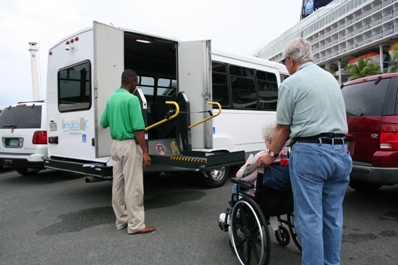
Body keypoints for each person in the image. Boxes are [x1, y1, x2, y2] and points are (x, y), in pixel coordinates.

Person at [256, 38, 352, 265]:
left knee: (309, 217)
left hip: (311, 152)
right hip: (341, 151)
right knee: (332, 216)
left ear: (290, 60)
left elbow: (282, 128)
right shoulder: (331, 78)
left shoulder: (291, 83)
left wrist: (270, 155)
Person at [100, 69, 155, 235]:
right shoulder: (132, 100)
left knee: (118, 184)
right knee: (134, 185)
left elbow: (103, 123)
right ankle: (136, 225)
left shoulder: (111, 98)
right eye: (136, 81)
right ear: (132, 81)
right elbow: (139, 130)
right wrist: (145, 152)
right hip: (129, 146)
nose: (136, 84)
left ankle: (121, 220)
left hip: (115, 145)